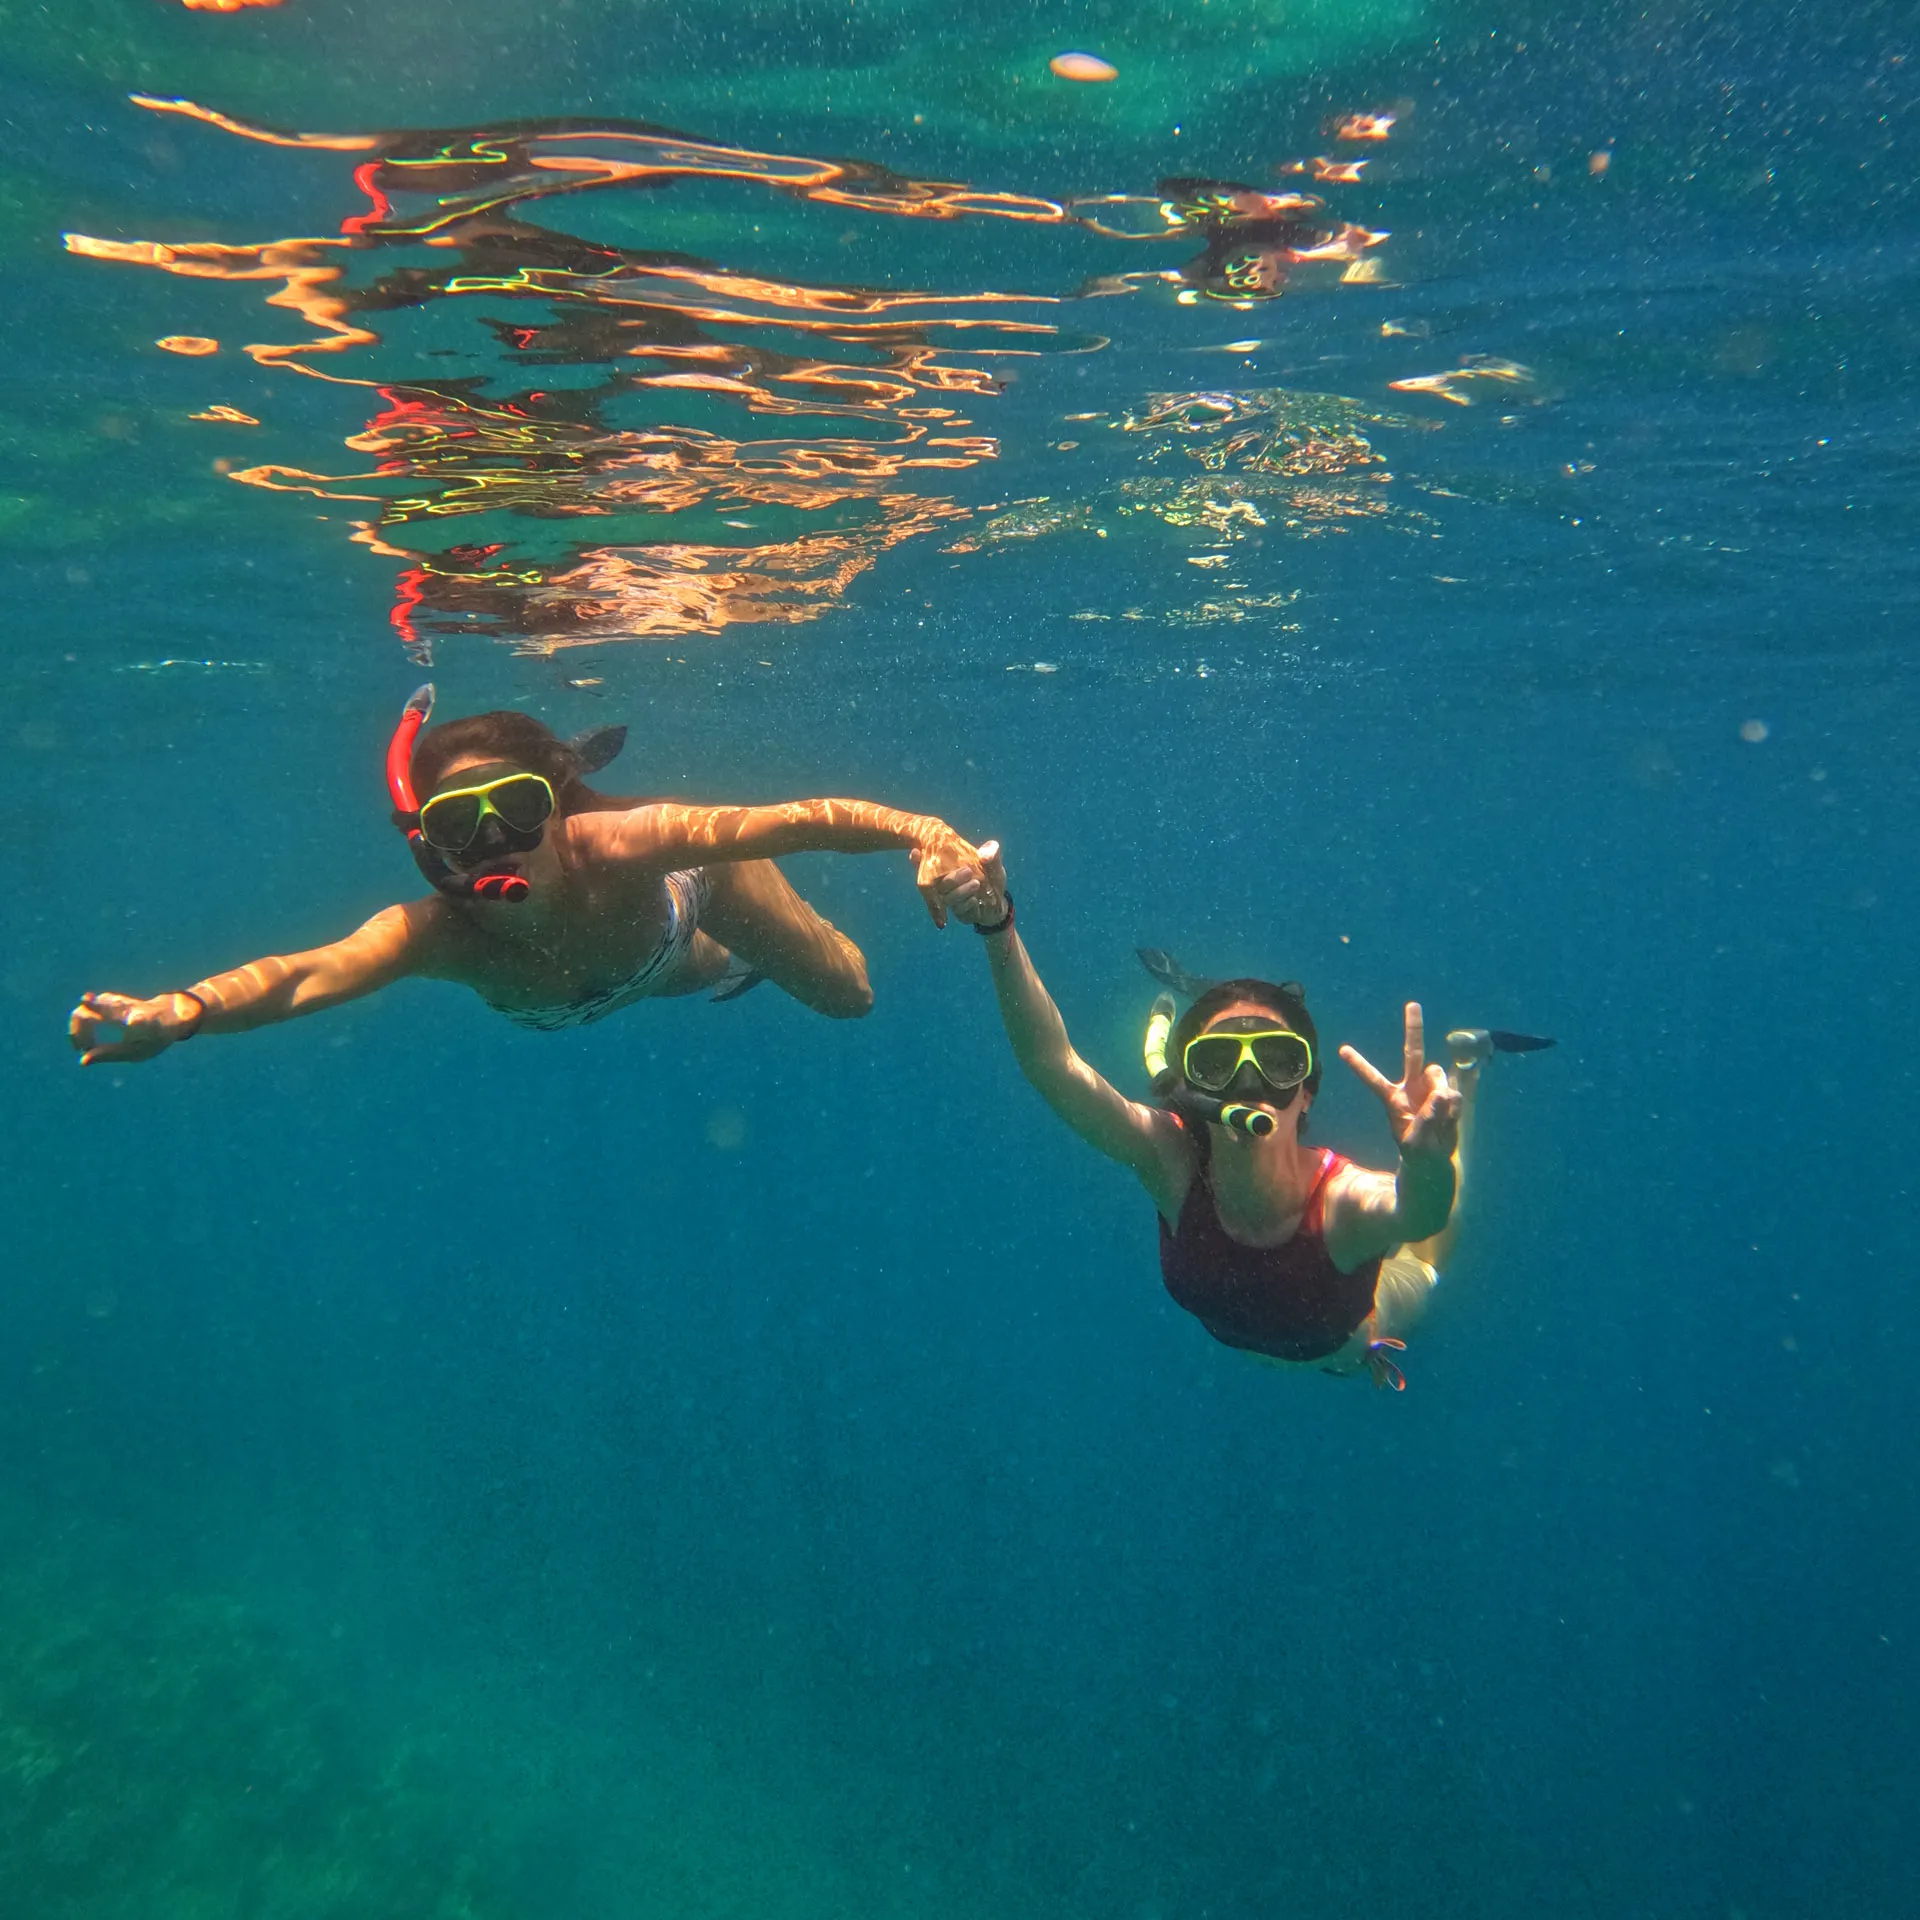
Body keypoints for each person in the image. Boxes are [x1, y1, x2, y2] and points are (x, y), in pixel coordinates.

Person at [69, 687, 986, 1065]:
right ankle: (731, 968)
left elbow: (795, 819)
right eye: (458, 827)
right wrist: (182, 1014)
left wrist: (922, 831)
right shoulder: (433, 935)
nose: (495, 840)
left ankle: (746, 951)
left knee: (850, 998)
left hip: (689, 899)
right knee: (697, 973)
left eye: (514, 807)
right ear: (430, 849)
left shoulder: (626, 844)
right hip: (645, 973)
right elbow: (308, 970)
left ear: (557, 802)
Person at [939, 843, 1544, 1389]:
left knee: (1432, 1252)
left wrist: (1424, 1158)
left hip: (1351, 1342)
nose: (1249, 1085)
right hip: (1281, 1342)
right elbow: (1054, 1066)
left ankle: (1468, 1068)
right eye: (1217, 1062)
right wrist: (998, 926)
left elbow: (1421, 1210)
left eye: (1278, 1061)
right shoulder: (1168, 1159)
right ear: (1189, 1082)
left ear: (1306, 1092)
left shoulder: (1346, 1205)